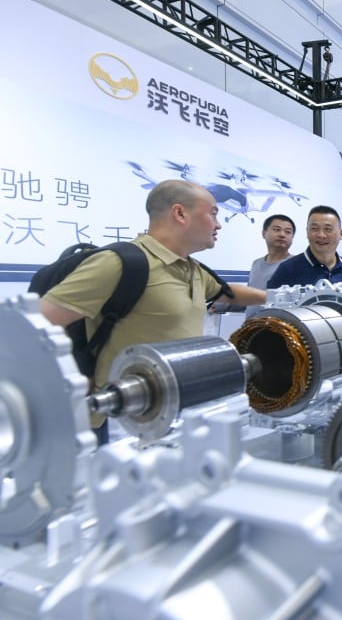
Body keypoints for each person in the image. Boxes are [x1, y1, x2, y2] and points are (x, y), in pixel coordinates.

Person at [39, 179, 266, 443]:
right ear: (180, 213)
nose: (218, 224)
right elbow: (38, 323)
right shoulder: (120, 263)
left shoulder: (192, 269)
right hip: (128, 421)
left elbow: (228, 292)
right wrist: (75, 378)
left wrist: (283, 298)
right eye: (213, 213)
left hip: (180, 411)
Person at [267, 205, 342, 291]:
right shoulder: (287, 269)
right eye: (314, 228)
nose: (321, 235)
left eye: (328, 229)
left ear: (341, 234)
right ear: (307, 232)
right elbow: (271, 305)